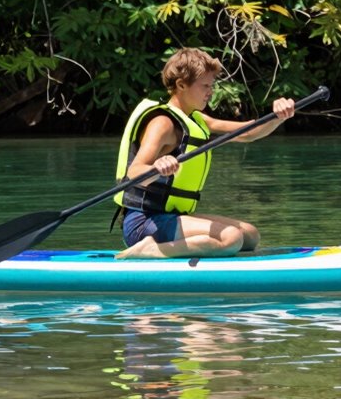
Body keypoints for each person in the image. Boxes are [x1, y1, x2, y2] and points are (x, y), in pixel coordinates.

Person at [114, 48, 296, 259]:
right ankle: (151, 250)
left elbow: (247, 133)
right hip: (144, 222)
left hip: (171, 217)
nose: (210, 92)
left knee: (250, 236)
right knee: (231, 238)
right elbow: (135, 172)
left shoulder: (197, 120)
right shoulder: (162, 123)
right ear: (181, 85)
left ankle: (187, 247)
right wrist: (157, 169)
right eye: (205, 86)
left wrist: (278, 117)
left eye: (212, 85)